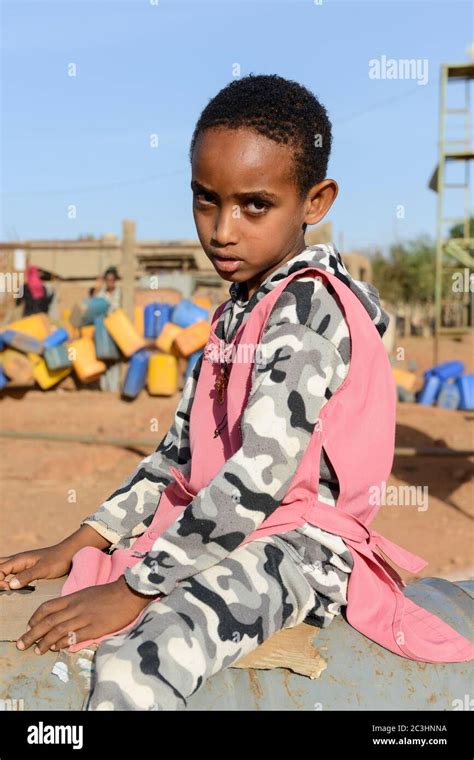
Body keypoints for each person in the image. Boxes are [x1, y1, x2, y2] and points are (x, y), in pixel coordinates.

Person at [1, 74, 472, 711]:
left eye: (254, 205)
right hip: (223, 528)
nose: (222, 229)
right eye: (206, 199)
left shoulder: (308, 310)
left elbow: (257, 477)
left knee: (142, 661)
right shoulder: (235, 311)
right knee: (82, 591)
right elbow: (176, 456)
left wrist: (137, 589)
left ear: (315, 201)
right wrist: (79, 542)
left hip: (299, 548)